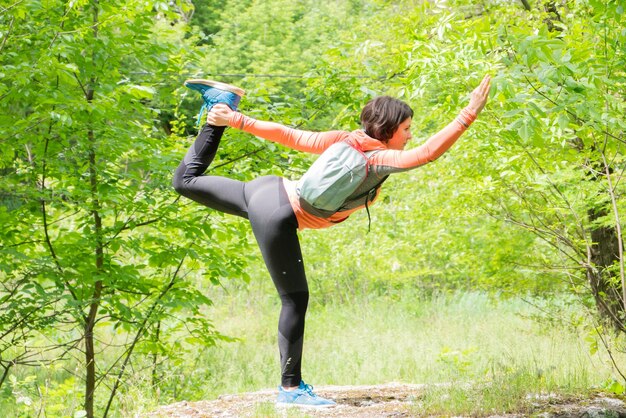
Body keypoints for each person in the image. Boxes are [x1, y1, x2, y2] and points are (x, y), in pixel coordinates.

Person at [173, 75, 491, 407]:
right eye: (407, 129)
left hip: (267, 191)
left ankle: (220, 107)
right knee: (295, 301)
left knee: (186, 180)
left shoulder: (348, 139)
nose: (411, 136)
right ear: (388, 130)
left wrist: (236, 120)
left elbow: (292, 136)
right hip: (279, 212)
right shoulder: (378, 158)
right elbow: (427, 154)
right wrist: (468, 113)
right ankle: (290, 390)